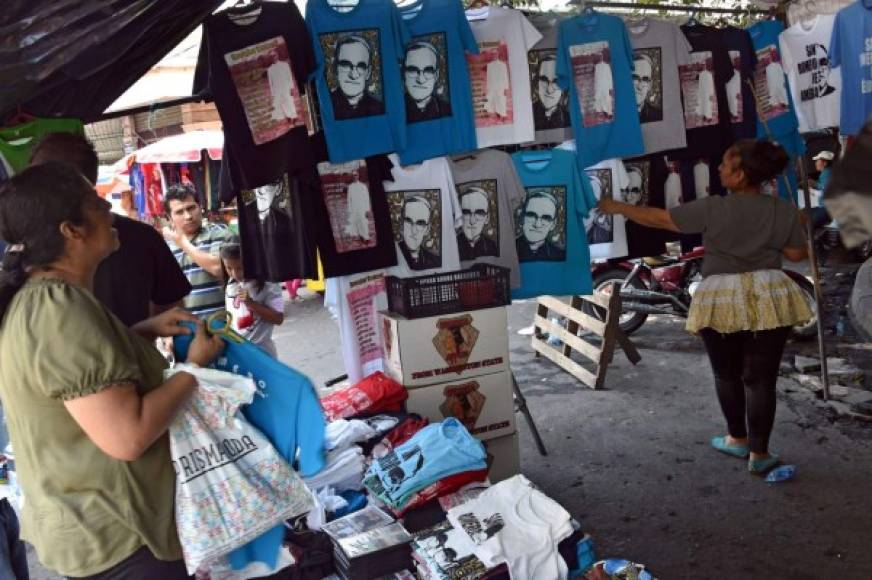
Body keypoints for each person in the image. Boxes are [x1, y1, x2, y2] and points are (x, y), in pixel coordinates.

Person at [0, 162, 225, 578]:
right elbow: (128, 436)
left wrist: (137, 334)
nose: (110, 210)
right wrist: (194, 369)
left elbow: (73, 386)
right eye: (97, 203)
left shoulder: (45, 299)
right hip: (121, 537)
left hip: (98, 527)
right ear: (72, 230)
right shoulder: (59, 311)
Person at [599, 139, 813, 475]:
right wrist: (792, 226)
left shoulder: (714, 207)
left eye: (726, 164)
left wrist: (617, 206)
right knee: (761, 381)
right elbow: (797, 255)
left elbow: (661, 219)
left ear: (740, 175)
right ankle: (760, 454)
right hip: (769, 294)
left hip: (721, 296)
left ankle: (736, 439)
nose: (719, 168)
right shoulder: (783, 209)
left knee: (726, 374)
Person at [28, 132, 191, 327]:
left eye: (34, 179)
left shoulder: (140, 238)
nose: (105, 206)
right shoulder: (28, 246)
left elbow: (172, 311)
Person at [162, 184, 232, 318]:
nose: (188, 216)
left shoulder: (218, 233)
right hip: (186, 329)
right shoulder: (166, 247)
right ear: (169, 218)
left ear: (200, 207)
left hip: (222, 324)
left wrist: (183, 243)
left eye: (191, 208)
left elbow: (219, 268)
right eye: (179, 212)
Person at [220, 241, 285, 358]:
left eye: (240, 268)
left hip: (262, 352)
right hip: (239, 351)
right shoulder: (230, 283)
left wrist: (251, 303)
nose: (235, 273)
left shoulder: (271, 283)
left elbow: (279, 318)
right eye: (228, 268)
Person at [331, 35, 383, 119]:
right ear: (335, 68)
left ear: (368, 72)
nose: (353, 75)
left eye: (361, 66)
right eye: (346, 65)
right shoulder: (326, 106)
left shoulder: (380, 108)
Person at [404, 41, 451, 122]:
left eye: (428, 71)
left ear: (436, 76)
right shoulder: (391, 110)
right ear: (403, 73)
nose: (421, 79)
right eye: (412, 70)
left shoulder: (447, 111)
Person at [516, 190, 564, 261]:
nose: (537, 224)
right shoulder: (507, 251)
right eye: (531, 215)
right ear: (522, 217)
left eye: (546, 218)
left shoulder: (560, 255)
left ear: (553, 224)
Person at [398, 195, 440, 270]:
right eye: (409, 221)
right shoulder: (390, 256)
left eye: (420, 223)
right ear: (401, 224)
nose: (413, 230)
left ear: (427, 229)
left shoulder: (436, 261)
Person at [456, 186, 498, 259]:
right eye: (466, 212)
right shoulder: (451, 246)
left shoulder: (492, 247)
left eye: (479, 213)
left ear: (487, 218)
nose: (472, 221)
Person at [532, 53, 569, 130]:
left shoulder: (569, 119)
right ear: (536, 82)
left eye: (556, 81)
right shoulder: (527, 115)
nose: (549, 90)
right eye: (544, 79)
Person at [632, 52, 662, 123]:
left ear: (650, 85)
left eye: (645, 79)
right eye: (635, 78)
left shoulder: (658, 115)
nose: (639, 87)